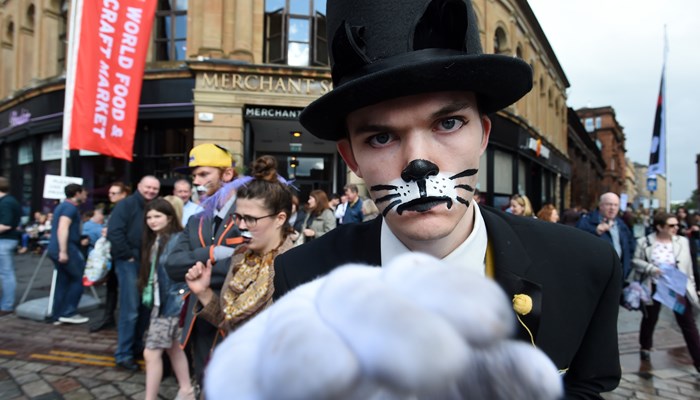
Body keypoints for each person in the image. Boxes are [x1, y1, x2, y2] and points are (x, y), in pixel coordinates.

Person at [271, 0, 622, 397]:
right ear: (352, 157)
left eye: (448, 123)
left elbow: (586, 386)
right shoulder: (303, 279)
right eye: (381, 137)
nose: (418, 164)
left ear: (483, 135)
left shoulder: (583, 266)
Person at [185, 155, 295, 334]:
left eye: (251, 219)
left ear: (279, 219)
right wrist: (203, 293)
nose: (241, 226)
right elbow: (228, 322)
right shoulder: (240, 254)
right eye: (238, 217)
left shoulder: (295, 265)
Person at [165, 143, 242, 385]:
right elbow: (173, 265)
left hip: (234, 318)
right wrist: (211, 252)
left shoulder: (249, 213)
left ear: (227, 174)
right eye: (194, 175)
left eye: (204, 174)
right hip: (199, 319)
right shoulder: (197, 219)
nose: (196, 181)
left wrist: (202, 267)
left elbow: (247, 267)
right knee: (204, 380)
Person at [139, 198, 194, 400]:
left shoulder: (176, 239)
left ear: (169, 217)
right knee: (173, 349)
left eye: (157, 216)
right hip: (160, 302)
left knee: (151, 353)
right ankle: (186, 389)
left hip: (172, 303)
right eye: (149, 217)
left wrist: (179, 301)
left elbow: (180, 273)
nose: (152, 221)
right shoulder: (156, 239)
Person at [632, 211, 700, 372]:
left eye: (677, 225)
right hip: (653, 286)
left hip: (676, 287)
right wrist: (651, 269)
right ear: (659, 226)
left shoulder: (682, 242)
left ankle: (698, 361)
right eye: (671, 225)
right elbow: (635, 260)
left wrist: (697, 286)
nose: (675, 228)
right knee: (650, 318)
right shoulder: (644, 242)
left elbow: (692, 266)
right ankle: (645, 346)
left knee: (688, 323)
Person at [107, 176, 161, 371]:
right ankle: (123, 354)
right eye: (148, 187)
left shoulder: (154, 205)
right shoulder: (126, 205)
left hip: (148, 262)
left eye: (154, 188)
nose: (151, 190)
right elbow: (114, 232)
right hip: (129, 262)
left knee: (144, 307)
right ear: (139, 186)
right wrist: (127, 255)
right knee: (130, 310)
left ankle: (136, 347)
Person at [90, 182, 130, 333]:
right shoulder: (116, 209)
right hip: (112, 253)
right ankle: (108, 317)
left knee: (123, 288)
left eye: (114, 193)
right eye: (110, 193)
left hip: (122, 254)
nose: (110, 195)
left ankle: (120, 320)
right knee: (111, 287)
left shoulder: (126, 209)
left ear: (123, 194)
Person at [47, 183, 89, 324]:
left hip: (57, 248)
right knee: (78, 279)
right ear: (77, 193)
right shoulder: (70, 208)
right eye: (84, 193)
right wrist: (64, 251)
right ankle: (68, 312)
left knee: (63, 281)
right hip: (67, 249)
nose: (85, 196)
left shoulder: (62, 206)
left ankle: (57, 314)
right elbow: (63, 228)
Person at [577, 192, 636, 280]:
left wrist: (627, 268)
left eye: (616, 205)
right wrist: (595, 231)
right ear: (600, 206)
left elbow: (631, 246)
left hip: (618, 276)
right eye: (609, 204)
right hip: (596, 276)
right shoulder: (588, 221)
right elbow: (578, 241)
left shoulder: (621, 224)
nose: (612, 208)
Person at [0, 177, 21, 317]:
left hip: (5, 241)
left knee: (6, 273)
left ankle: (7, 305)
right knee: (5, 273)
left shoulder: (6, 202)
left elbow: (6, 224)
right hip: (6, 240)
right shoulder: (8, 201)